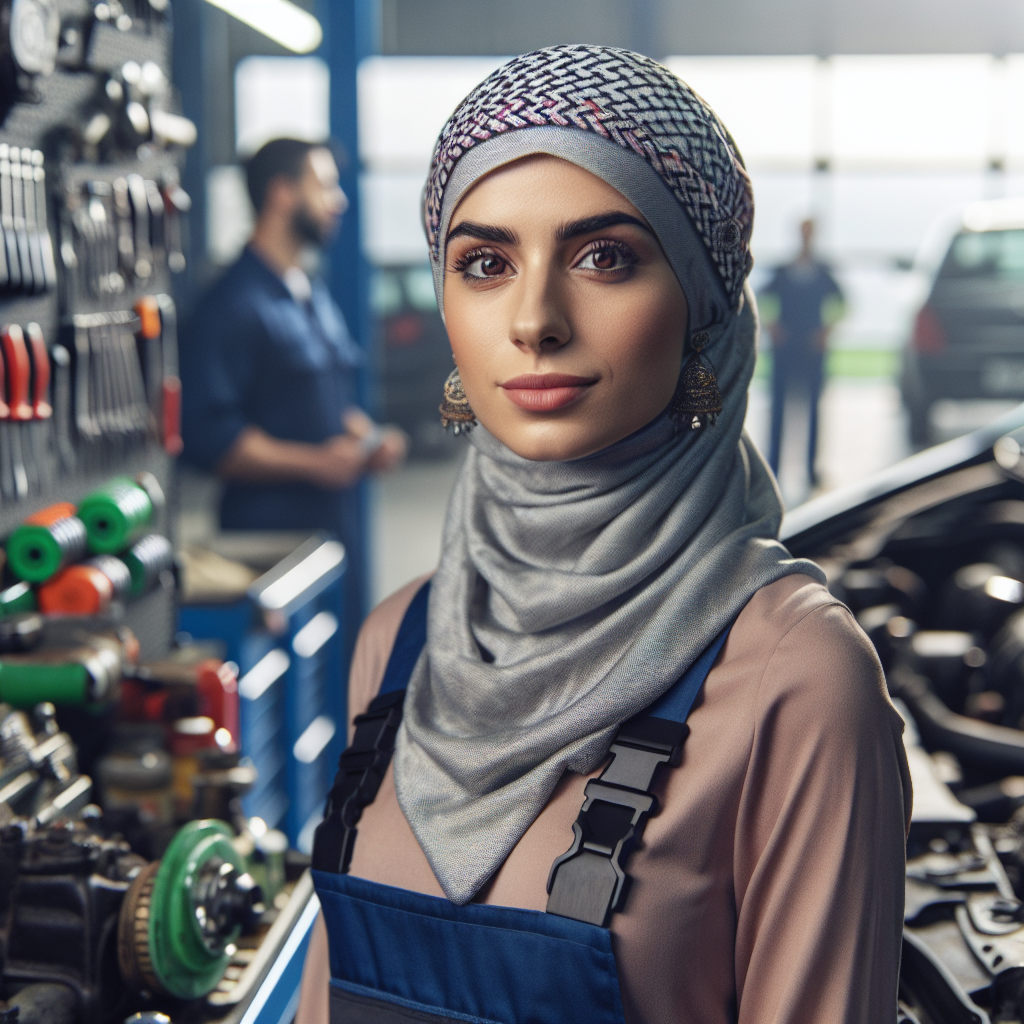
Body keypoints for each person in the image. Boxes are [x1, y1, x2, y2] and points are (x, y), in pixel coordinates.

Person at [296, 46, 909, 1024]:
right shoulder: (399, 640)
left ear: (703, 306)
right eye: (486, 263)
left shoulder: (793, 678)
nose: (534, 320)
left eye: (604, 256)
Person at [180, 138, 407, 627]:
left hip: (333, 536)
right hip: (273, 551)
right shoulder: (231, 305)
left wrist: (364, 438)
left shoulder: (310, 292)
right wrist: (315, 463)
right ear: (282, 194)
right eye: (324, 186)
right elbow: (210, 438)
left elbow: (318, 399)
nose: (338, 200)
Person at [760, 218, 844, 489]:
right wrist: (771, 326)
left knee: (813, 412)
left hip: (811, 349)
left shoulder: (823, 270)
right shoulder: (783, 270)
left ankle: (810, 469)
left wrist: (826, 332)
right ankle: (773, 467)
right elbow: (760, 297)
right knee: (778, 411)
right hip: (785, 349)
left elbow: (842, 302)